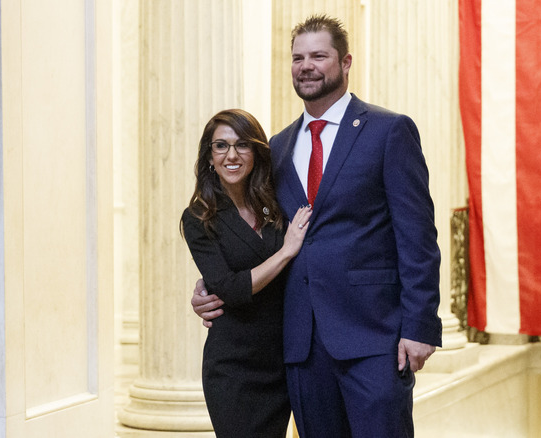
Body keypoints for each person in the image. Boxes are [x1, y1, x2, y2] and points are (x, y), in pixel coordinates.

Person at [192, 15, 442, 437]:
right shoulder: (276, 147)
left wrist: (420, 327)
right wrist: (215, 282)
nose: (306, 66)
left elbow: (417, 237)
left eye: (318, 56)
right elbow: (256, 229)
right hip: (301, 343)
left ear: (345, 62)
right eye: (297, 58)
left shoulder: (388, 131)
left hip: (373, 337)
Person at [180, 109, 313, 438]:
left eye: (242, 145)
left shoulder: (274, 203)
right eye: (221, 146)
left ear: (256, 152)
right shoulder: (199, 216)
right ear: (210, 157)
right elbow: (230, 288)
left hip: (281, 358)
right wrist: (285, 252)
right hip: (234, 367)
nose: (232, 155)